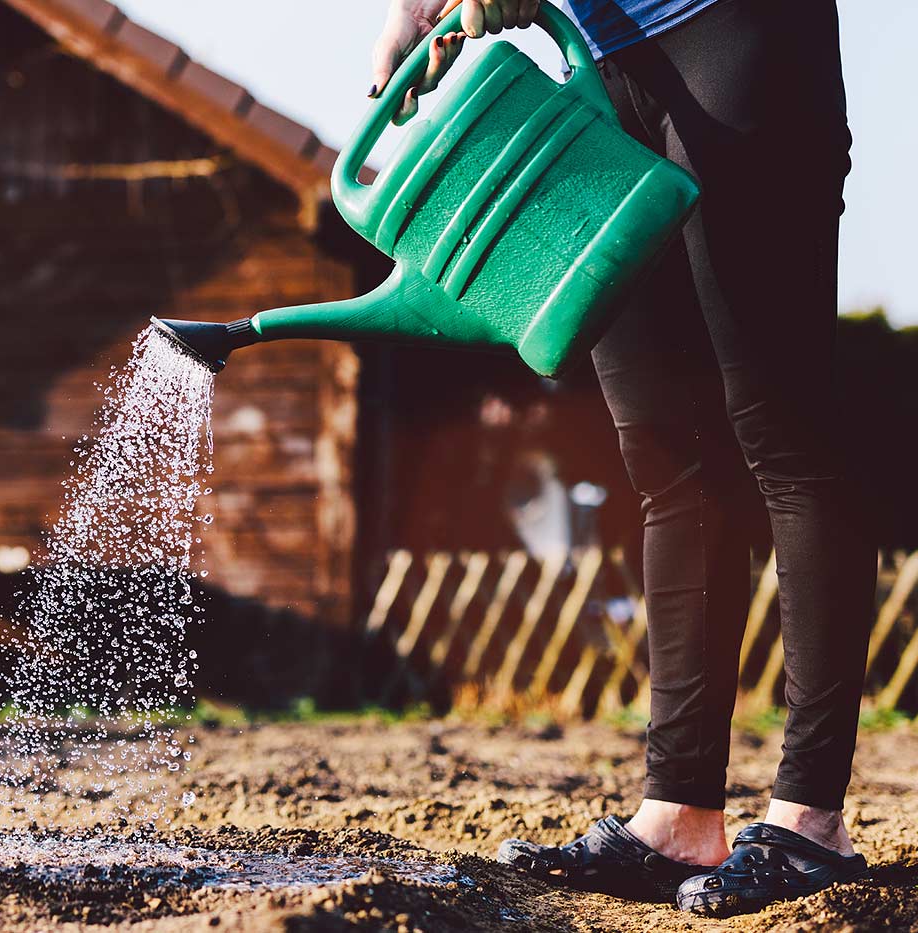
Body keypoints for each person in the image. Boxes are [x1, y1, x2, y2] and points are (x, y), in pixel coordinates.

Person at [370, 0, 871, 917]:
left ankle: (811, 820)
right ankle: (678, 815)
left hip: (738, 36)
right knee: (668, 464)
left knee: (784, 438)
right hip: (601, 67)